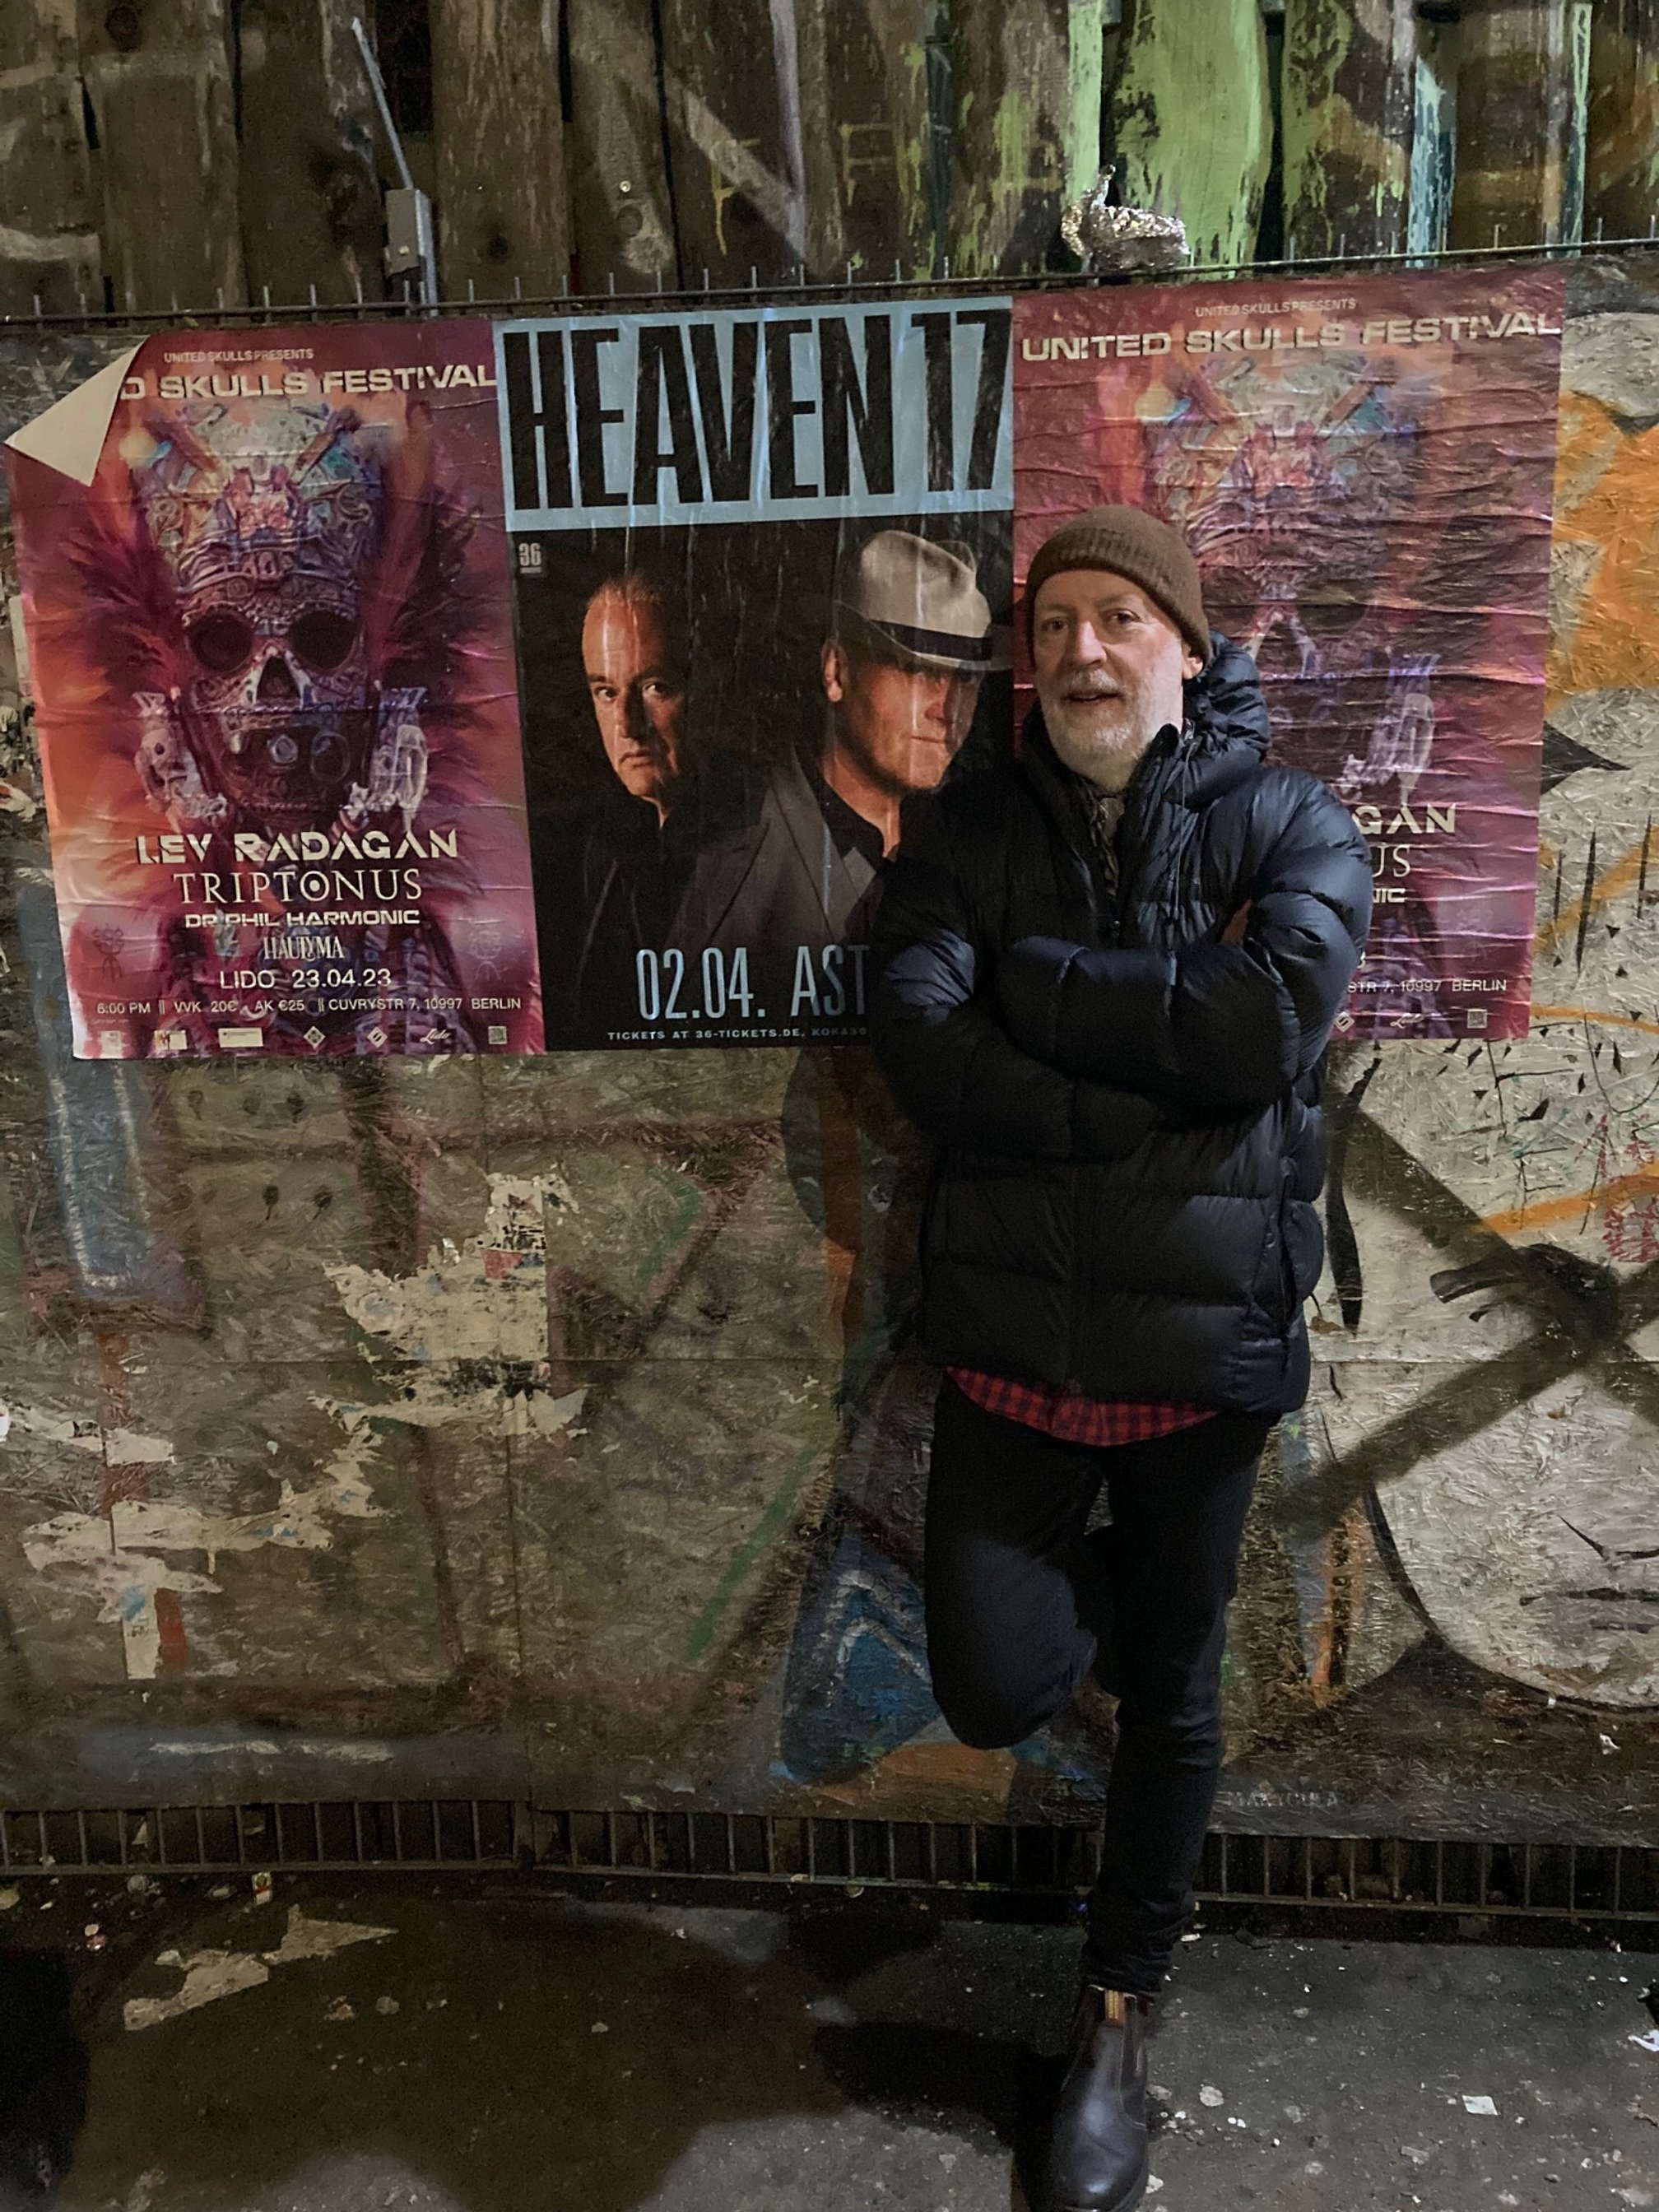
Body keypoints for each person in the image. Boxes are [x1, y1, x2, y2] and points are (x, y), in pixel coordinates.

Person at [868, 505, 1373, 2212]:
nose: (1083, 650)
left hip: (1200, 1365)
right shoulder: (967, 831)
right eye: (1057, 622)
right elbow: (921, 1042)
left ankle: (1113, 2022)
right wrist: (1136, 1094)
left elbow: (1267, 1022)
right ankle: (1107, 1591)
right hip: (1015, 1355)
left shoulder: (1292, 821)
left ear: (1186, 643)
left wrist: (1047, 995)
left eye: (1119, 619)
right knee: (997, 1686)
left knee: (1172, 1703)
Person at [672, 529, 998, 1033]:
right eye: (916, 670)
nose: (947, 709)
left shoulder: (972, 845)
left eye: (967, 677)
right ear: (836, 670)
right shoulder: (736, 872)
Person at [533, 570, 699, 1043]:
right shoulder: (602, 854)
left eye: (655, 688)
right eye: (606, 693)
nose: (626, 725)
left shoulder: (773, 840)